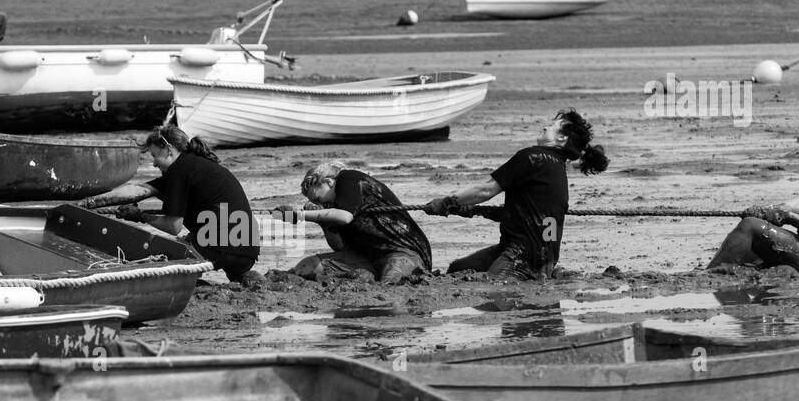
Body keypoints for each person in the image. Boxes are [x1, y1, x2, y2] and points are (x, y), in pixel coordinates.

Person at [424, 109, 609, 279]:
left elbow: (485, 190)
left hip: (519, 255)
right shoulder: (559, 169)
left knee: (492, 292)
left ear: (562, 138)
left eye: (553, 125)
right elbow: (533, 217)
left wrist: (446, 202)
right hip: (548, 258)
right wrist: (473, 210)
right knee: (458, 269)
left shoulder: (532, 157)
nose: (545, 126)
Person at [78, 125, 259, 282]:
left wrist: (141, 216)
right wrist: (90, 202)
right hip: (247, 250)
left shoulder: (178, 171)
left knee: (164, 261)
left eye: (155, 155)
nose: (155, 163)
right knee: (193, 244)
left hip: (221, 247)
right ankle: (246, 277)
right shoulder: (193, 166)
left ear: (169, 149)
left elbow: (173, 227)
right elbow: (137, 190)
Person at [272, 161, 432, 284]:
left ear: (328, 182)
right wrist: (323, 223)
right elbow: (340, 247)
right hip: (368, 258)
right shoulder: (334, 210)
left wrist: (301, 215)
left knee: (390, 284)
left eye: (319, 199)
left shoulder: (348, 178)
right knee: (305, 267)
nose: (323, 206)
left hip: (403, 252)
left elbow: (345, 217)